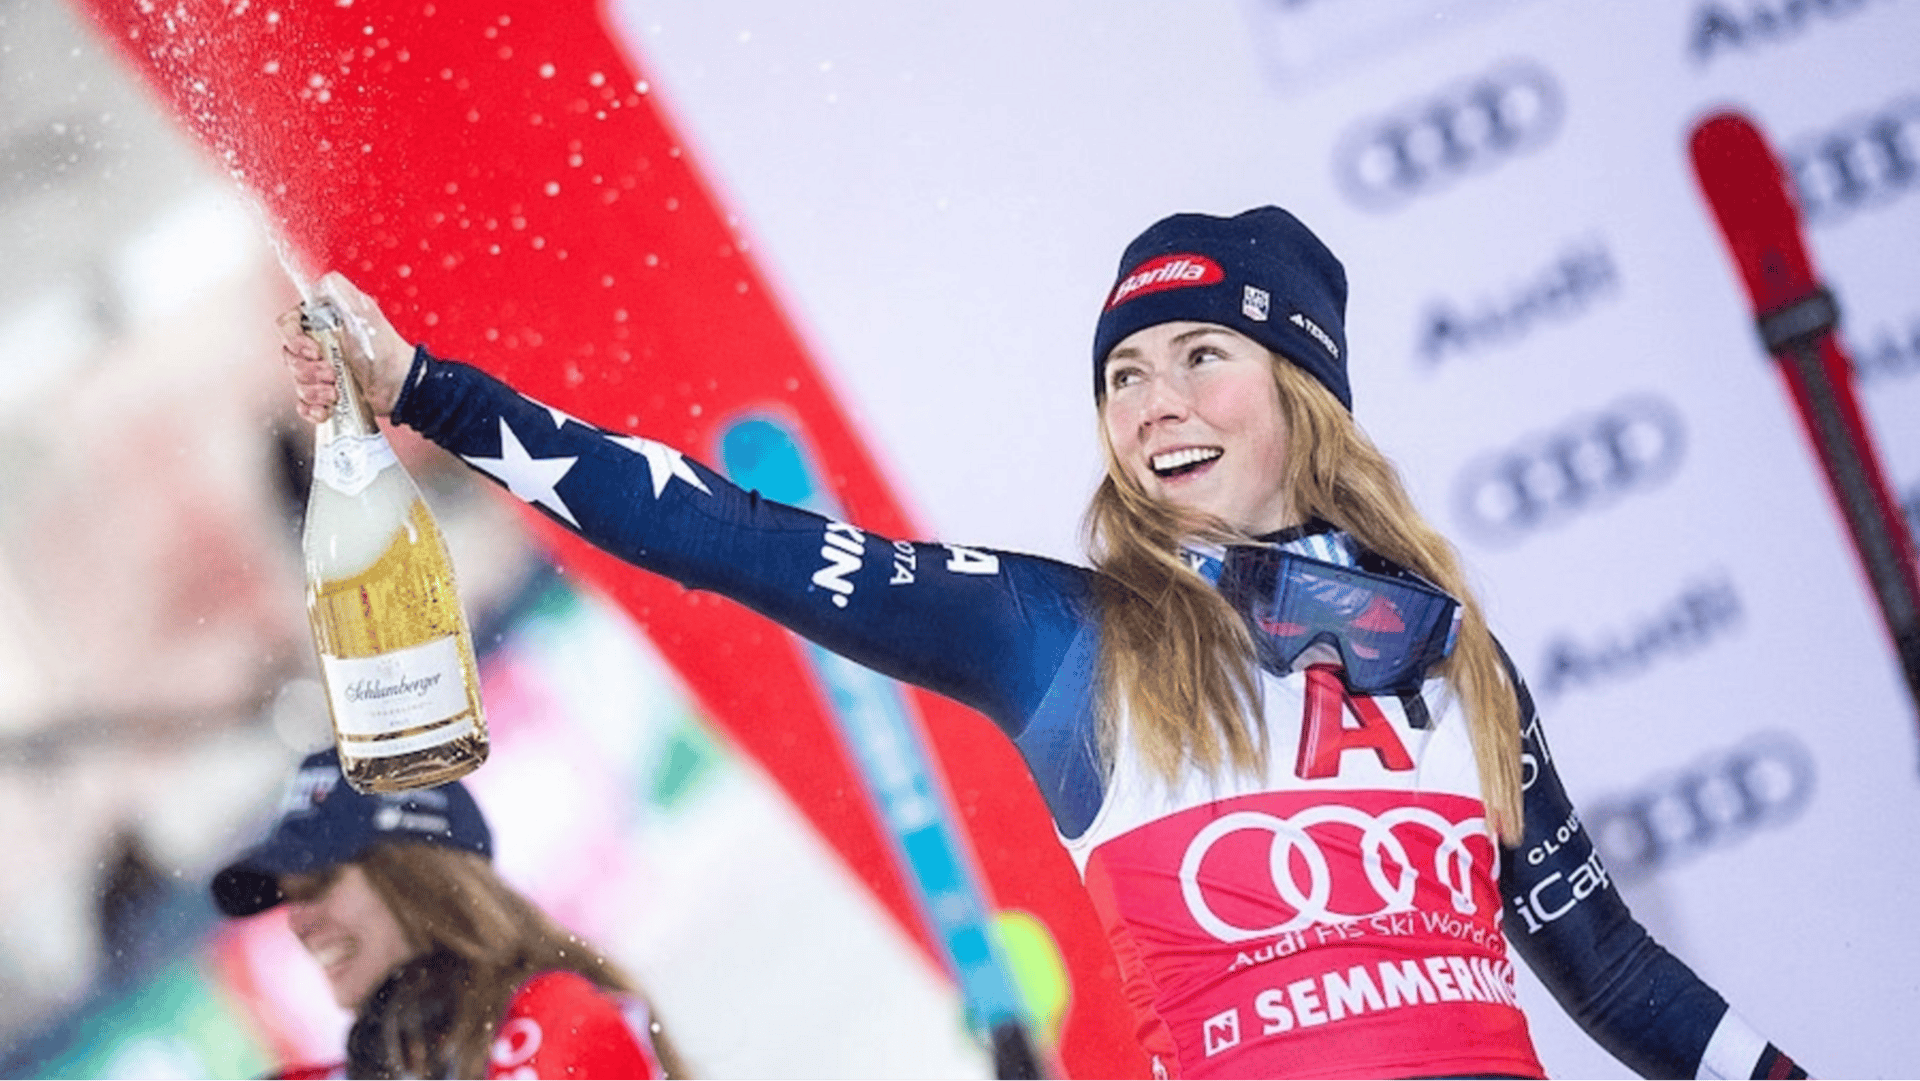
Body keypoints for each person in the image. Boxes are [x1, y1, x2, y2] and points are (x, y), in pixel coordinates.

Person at [278, 206, 1809, 1080]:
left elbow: (1607, 964)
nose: (1154, 402)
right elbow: (726, 532)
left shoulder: (1449, 654)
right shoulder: (1058, 632)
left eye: (1203, 355)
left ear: (1304, 392)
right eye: (1124, 375)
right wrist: (432, 389)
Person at [212, 748, 691, 1081]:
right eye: (289, 897)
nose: (297, 921)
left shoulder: (555, 1018)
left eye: (319, 883)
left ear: (415, 874)